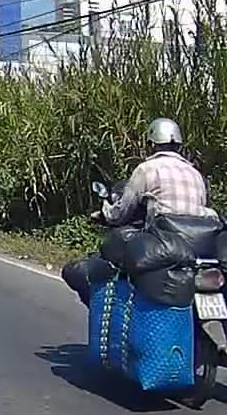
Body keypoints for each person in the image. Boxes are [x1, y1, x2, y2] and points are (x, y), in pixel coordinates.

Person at [62, 117, 218, 305]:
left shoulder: (146, 169)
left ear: (151, 144)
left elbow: (121, 212)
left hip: (164, 244)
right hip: (201, 247)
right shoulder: (195, 173)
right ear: (178, 145)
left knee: (115, 262)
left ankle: (118, 309)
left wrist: (105, 212)